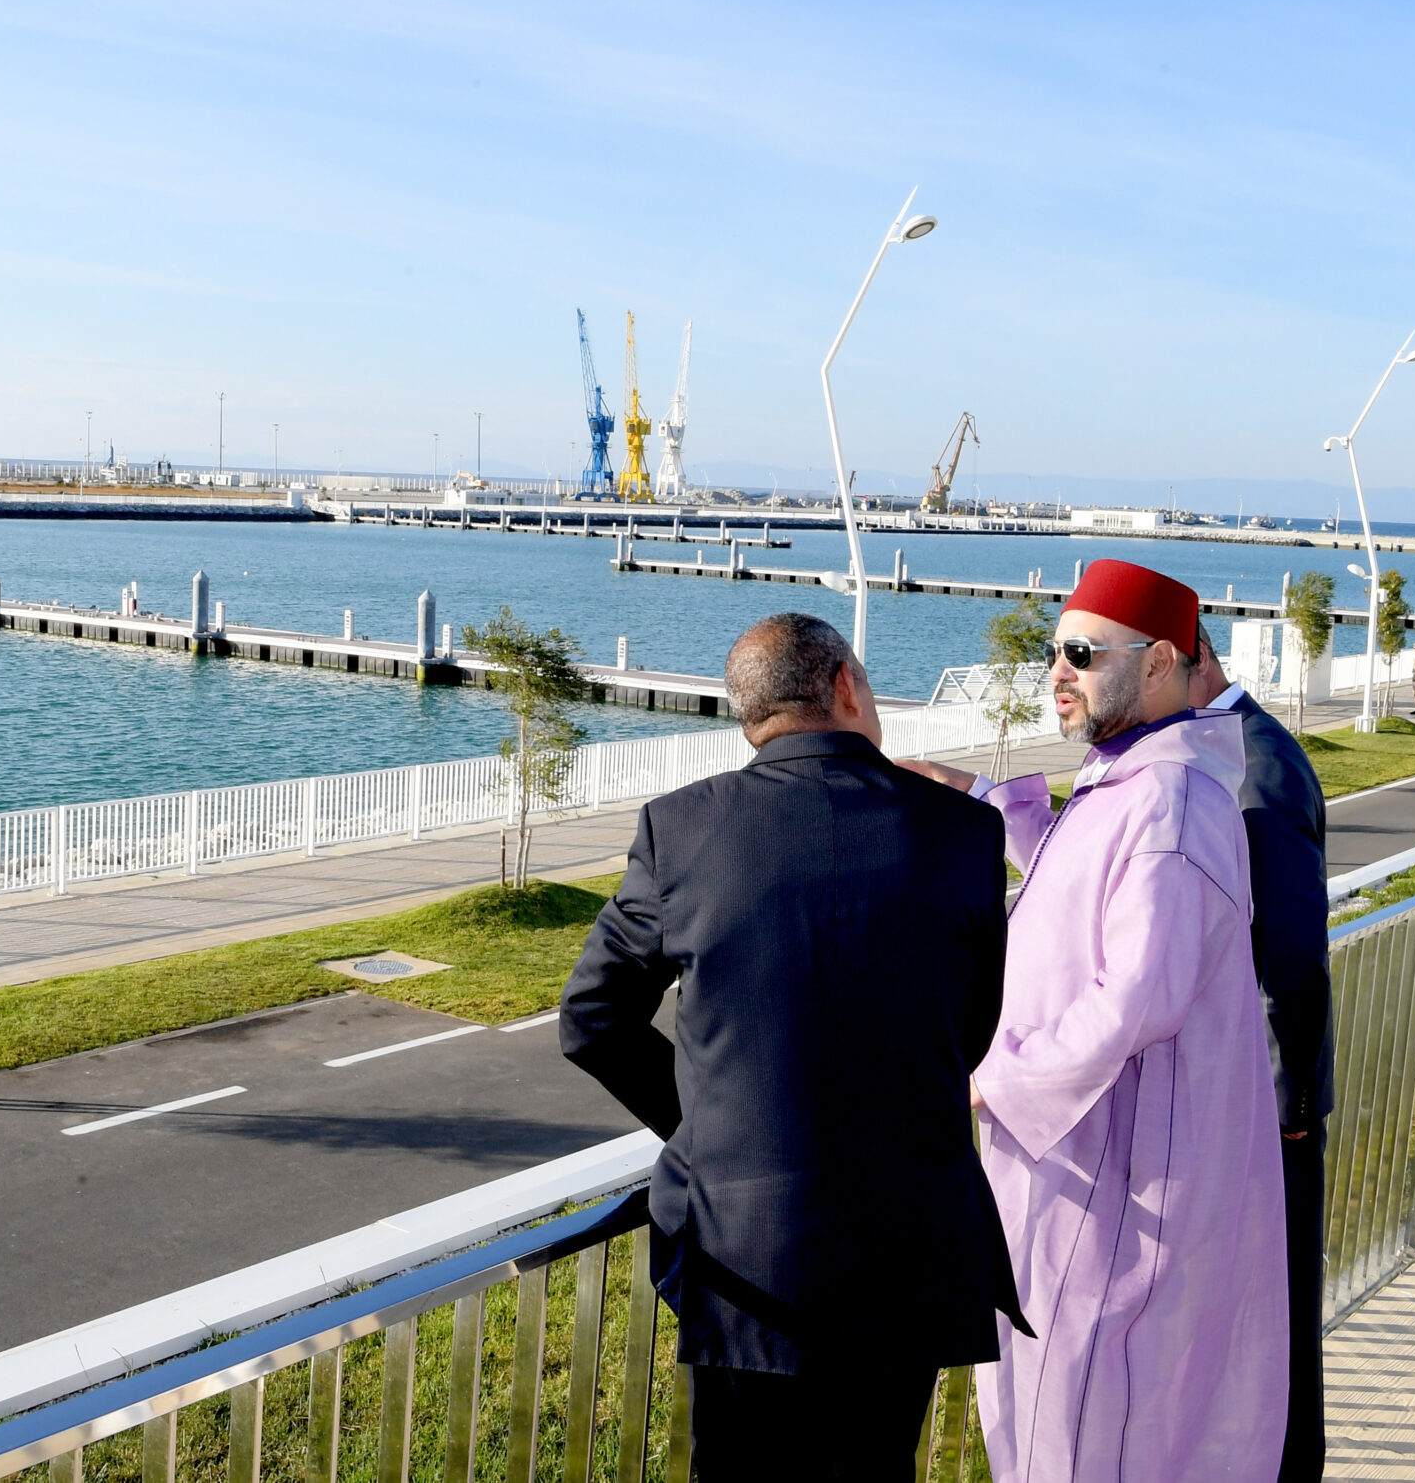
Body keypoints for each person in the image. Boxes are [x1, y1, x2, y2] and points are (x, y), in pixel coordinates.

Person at [561, 611, 1028, 1481]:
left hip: (743, 1249)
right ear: (846, 686)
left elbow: (592, 1017)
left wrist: (702, 1130)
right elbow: (972, 1027)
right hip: (906, 1240)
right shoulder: (963, 833)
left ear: (753, 715)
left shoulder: (682, 830)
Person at [913, 559, 1288, 1482]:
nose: (1058, 673)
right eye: (1054, 652)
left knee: (1076, 1434)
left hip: (1112, 1195)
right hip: (1091, 1177)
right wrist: (984, 803)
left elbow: (1138, 993)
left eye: (1082, 653)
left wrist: (991, 1077)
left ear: (1159, 661)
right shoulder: (1138, 780)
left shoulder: (1169, 799)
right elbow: (1085, 892)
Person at [1192, 624, 1334, 1483]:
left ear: (1185, 658)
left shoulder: (1259, 761)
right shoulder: (1221, 750)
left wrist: (1287, 1112)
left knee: (1278, 1324)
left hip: (1269, 1114)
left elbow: (1292, 957)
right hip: (1237, 1104)